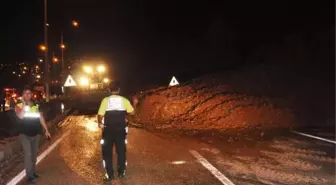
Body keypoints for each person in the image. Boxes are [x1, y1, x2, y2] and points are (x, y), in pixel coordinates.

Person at [97, 81, 138, 183]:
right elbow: (133, 113)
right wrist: (135, 103)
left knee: (107, 153)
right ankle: (121, 172)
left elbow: (100, 115)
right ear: (119, 90)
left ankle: (109, 175)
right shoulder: (124, 100)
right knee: (121, 151)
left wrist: (99, 123)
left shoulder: (105, 101)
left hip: (108, 130)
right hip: (120, 130)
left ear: (109, 90)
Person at [14, 86, 51, 184]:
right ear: (22, 95)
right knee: (28, 154)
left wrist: (46, 130)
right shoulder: (18, 105)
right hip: (24, 134)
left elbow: (41, 117)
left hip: (36, 133)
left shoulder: (36, 104)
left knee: (34, 155)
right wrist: (23, 104)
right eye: (25, 93)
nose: (27, 95)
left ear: (32, 94)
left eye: (29, 93)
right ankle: (29, 176)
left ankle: (33, 172)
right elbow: (21, 116)